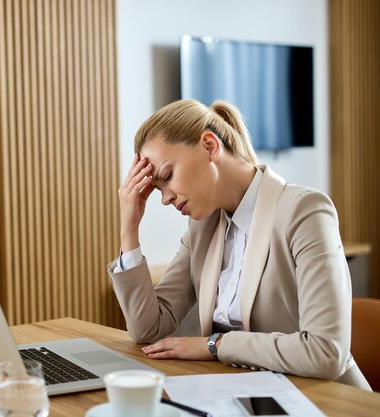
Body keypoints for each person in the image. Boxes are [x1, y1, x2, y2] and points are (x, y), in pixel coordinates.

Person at [107, 99, 371, 390]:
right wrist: (129, 229)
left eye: (167, 177)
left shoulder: (304, 211)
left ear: (210, 146)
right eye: (157, 188)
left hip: (323, 400)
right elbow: (149, 329)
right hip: (240, 395)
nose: (165, 198)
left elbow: (325, 352)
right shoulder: (202, 227)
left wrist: (215, 345)